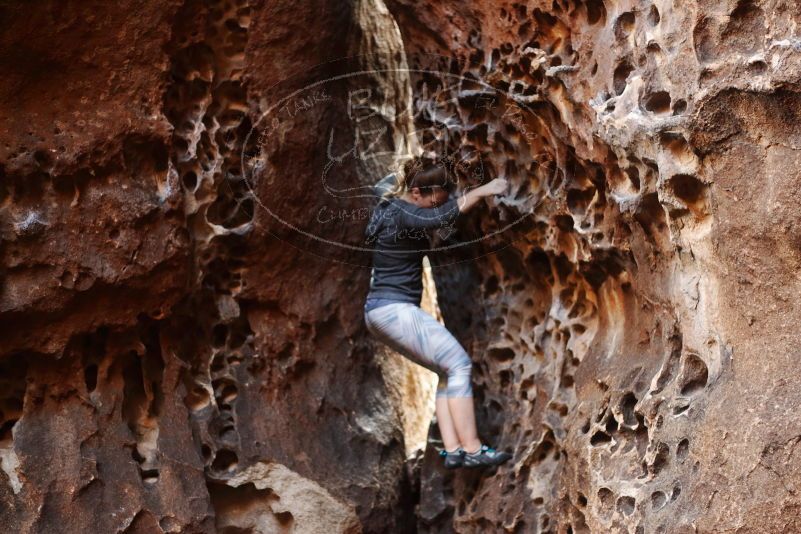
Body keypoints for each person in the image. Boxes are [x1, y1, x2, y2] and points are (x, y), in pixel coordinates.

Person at [363, 153, 513, 469]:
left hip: (380, 312)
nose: (434, 207)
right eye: (432, 201)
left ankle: (454, 449)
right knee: (459, 364)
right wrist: (481, 191)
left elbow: (386, 187)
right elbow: (436, 219)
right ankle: (473, 449)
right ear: (416, 193)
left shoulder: (388, 205)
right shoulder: (404, 210)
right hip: (394, 310)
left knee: (446, 371)